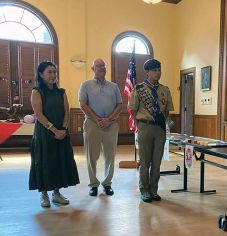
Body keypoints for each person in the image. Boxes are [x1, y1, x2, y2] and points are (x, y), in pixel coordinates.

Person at [29, 61, 80, 208]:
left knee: (59, 161)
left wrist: (63, 129)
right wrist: (54, 130)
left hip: (62, 132)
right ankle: (43, 194)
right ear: (41, 74)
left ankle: (56, 194)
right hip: (45, 133)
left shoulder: (61, 92)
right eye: (49, 72)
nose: (52, 75)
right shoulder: (37, 91)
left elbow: (67, 111)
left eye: (54, 72)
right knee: (45, 161)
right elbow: (39, 115)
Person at [128, 59, 174, 202]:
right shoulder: (139, 89)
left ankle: (154, 190)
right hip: (145, 126)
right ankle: (144, 190)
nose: (158, 72)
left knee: (157, 161)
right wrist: (141, 124)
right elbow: (133, 109)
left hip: (159, 128)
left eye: (159, 69)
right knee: (145, 161)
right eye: (154, 70)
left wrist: (161, 122)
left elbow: (167, 111)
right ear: (147, 72)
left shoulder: (165, 90)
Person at [78, 58, 122, 196]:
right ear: (93, 69)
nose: (102, 68)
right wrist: (97, 119)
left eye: (104, 66)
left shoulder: (113, 86)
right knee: (92, 156)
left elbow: (120, 105)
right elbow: (83, 105)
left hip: (111, 124)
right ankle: (93, 184)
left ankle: (107, 184)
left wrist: (109, 119)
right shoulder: (85, 85)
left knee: (110, 156)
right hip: (92, 124)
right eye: (98, 66)